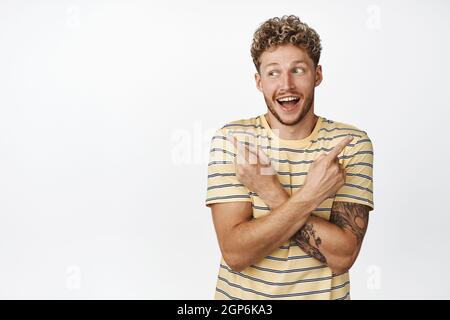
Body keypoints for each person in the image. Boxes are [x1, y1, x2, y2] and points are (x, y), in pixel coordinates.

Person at [205, 15, 374, 300]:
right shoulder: (233, 141)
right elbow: (236, 253)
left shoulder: (350, 144)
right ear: (259, 81)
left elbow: (342, 256)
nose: (286, 85)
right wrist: (311, 196)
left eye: (298, 70)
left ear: (317, 75)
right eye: (273, 72)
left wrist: (269, 190)